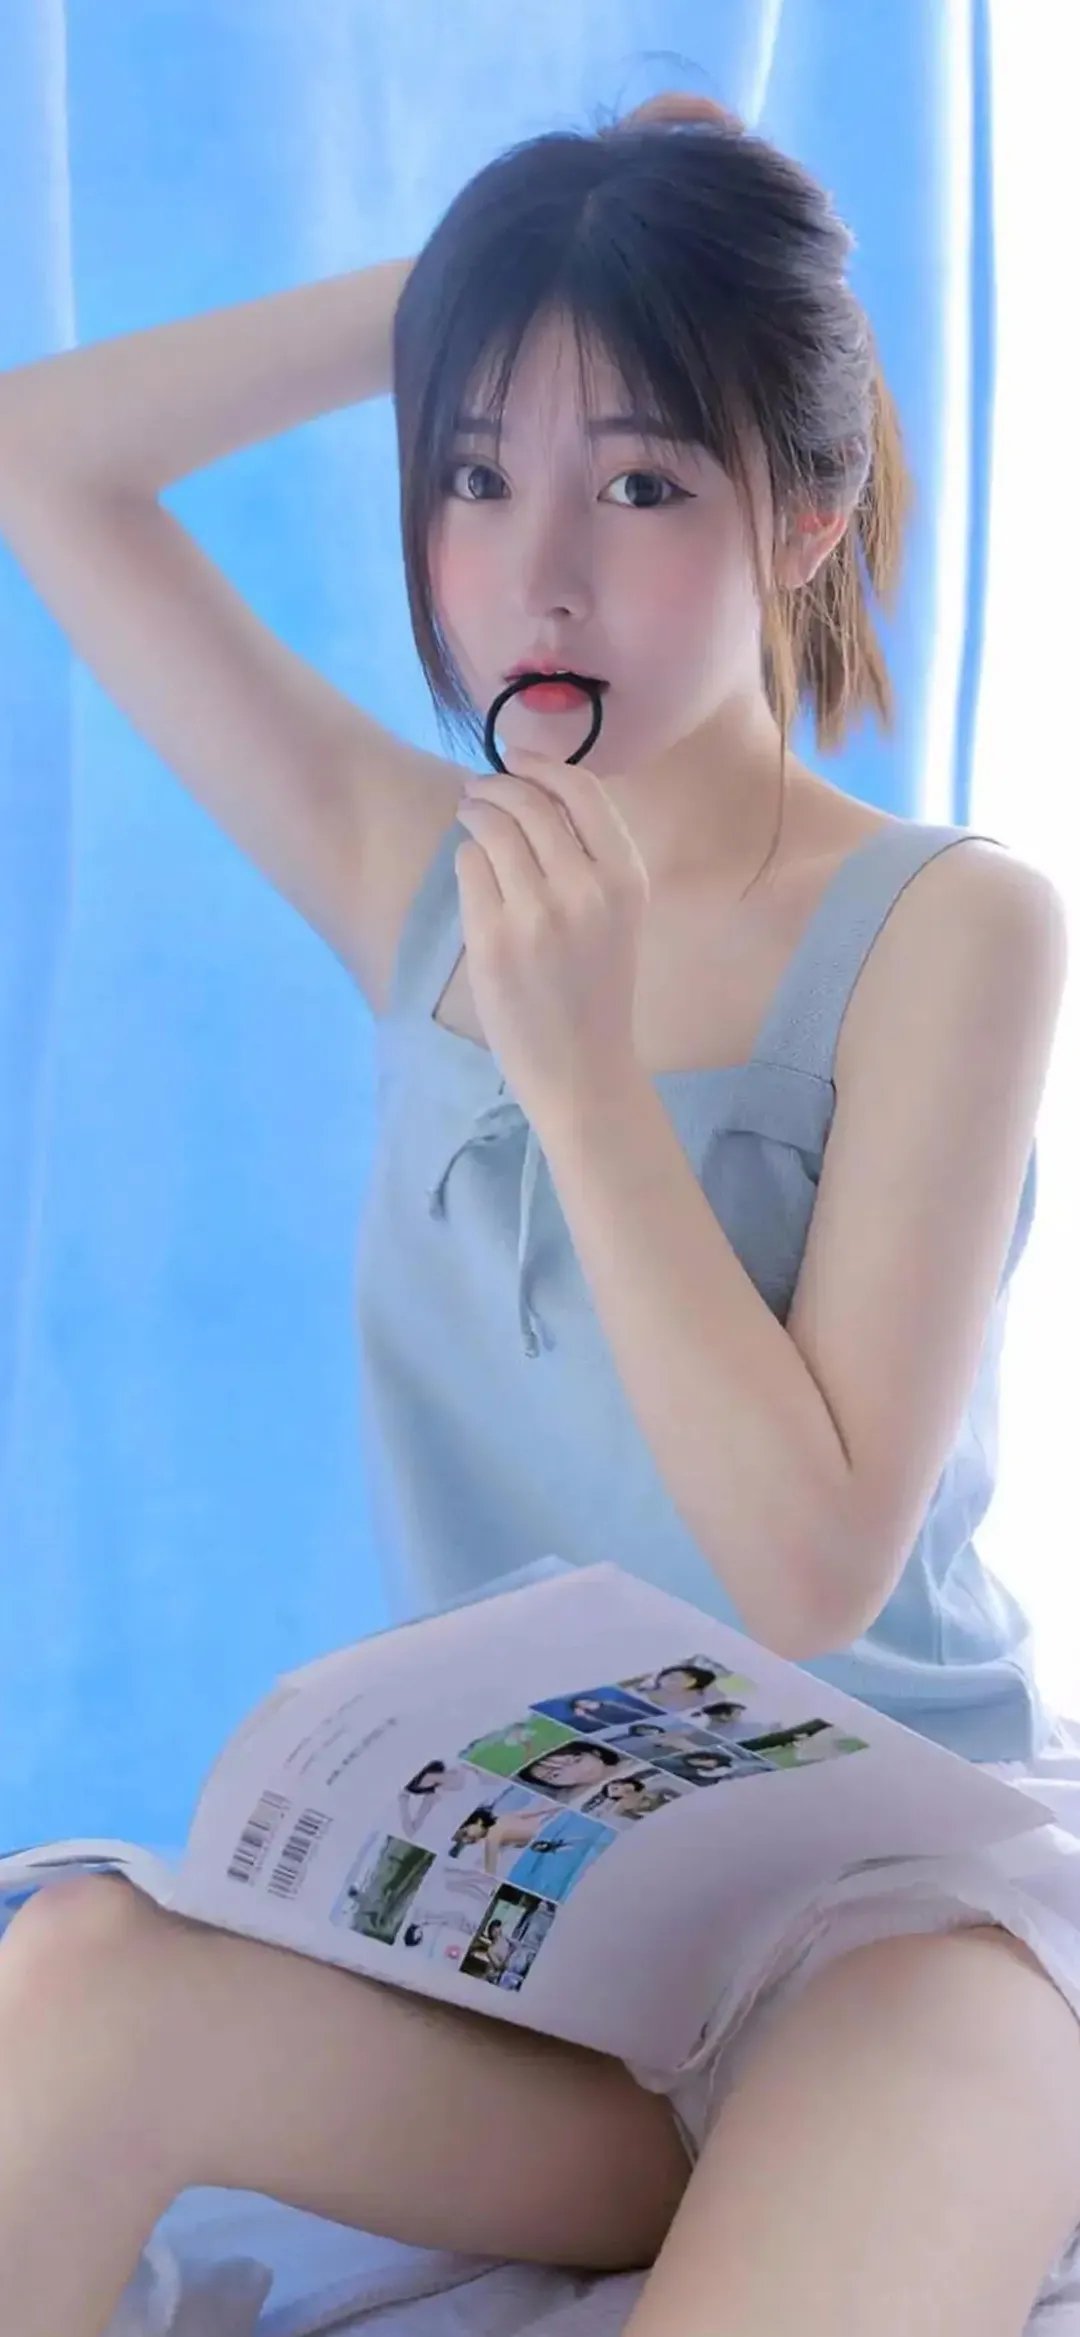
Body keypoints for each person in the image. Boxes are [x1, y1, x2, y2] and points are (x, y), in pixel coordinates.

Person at [0, 83, 1079, 2337]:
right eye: (477, 477)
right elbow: (42, 454)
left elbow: (813, 1563)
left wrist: (580, 1076)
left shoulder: (950, 930)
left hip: (908, 1923)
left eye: (644, 480)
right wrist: (493, 284)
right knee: (76, 1971)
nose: (538, 574)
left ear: (807, 514)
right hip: (554, 1961)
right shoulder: (410, 869)